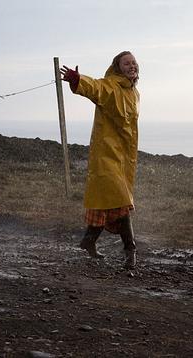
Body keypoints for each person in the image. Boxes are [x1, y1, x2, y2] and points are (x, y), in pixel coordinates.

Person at [60, 51, 140, 269]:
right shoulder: (111, 86)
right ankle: (131, 250)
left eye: (133, 62)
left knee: (106, 205)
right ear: (117, 67)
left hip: (122, 157)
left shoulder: (135, 93)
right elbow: (95, 87)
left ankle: (88, 241)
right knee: (121, 202)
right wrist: (78, 80)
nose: (131, 66)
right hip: (106, 155)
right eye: (126, 63)